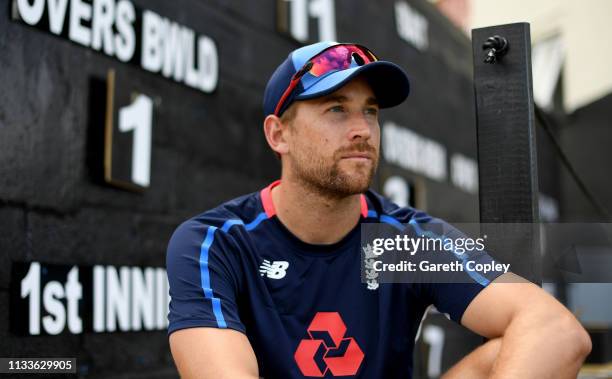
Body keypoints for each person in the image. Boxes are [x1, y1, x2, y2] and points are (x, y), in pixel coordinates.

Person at [166, 41, 591, 378]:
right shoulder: (217, 242)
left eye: (369, 112)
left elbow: (557, 330)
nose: (362, 130)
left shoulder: (401, 241)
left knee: (509, 352)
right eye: (336, 109)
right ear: (279, 135)